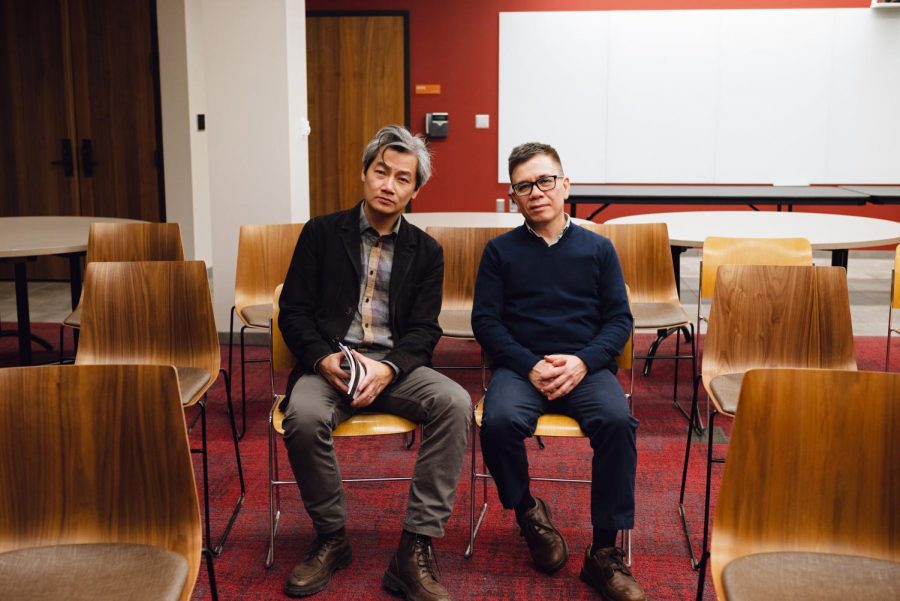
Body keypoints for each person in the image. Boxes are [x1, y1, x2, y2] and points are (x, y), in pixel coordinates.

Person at [278, 125, 471, 601]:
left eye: (402, 178)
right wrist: (323, 359)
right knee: (301, 417)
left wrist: (389, 368)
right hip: (332, 362)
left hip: (394, 367)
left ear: (415, 191)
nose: (389, 185)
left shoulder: (426, 251)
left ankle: (415, 547)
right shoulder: (322, 233)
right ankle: (331, 537)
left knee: (455, 402)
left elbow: (425, 331)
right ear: (365, 174)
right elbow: (294, 312)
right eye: (381, 172)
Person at [471, 142, 645, 601]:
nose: (536, 192)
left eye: (545, 180)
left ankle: (604, 553)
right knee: (499, 422)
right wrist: (529, 366)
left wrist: (584, 360)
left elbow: (619, 321)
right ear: (514, 197)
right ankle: (529, 513)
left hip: (584, 367)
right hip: (522, 367)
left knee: (616, 422)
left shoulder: (598, 249)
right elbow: (485, 322)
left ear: (565, 185)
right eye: (524, 185)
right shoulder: (499, 252)